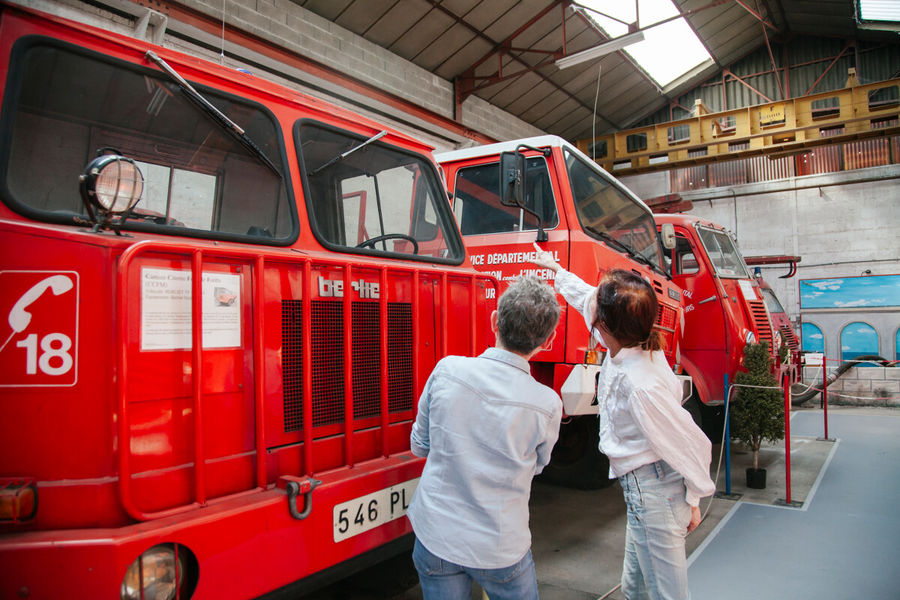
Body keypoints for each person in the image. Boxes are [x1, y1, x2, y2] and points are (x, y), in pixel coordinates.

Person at [529, 243, 715, 600]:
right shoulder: (630, 339)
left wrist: (693, 498)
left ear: (604, 324)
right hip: (643, 491)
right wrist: (555, 269)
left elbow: (691, 443)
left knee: (665, 595)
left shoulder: (639, 385)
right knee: (635, 590)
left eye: (598, 307)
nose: (591, 307)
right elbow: (585, 296)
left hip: (657, 492)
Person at [407, 274, 562, 600]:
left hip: (437, 537)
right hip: (501, 548)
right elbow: (536, 465)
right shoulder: (548, 405)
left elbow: (419, 446)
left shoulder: (447, 370)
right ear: (547, 341)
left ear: (495, 321)